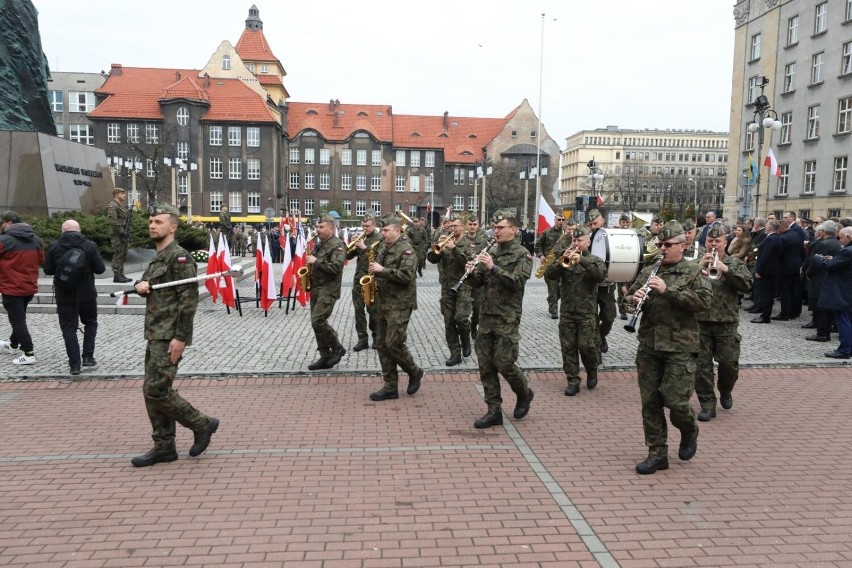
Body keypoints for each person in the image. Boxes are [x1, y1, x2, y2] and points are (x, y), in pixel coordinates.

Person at [131, 202, 218, 467]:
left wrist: (180, 338)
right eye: (150, 222)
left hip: (169, 334)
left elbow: (188, 301)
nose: (152, 225)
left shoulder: (179, 257)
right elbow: (148, 283)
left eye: (158, 222)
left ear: (173, 226)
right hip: (155, 332)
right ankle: (164, 446)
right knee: (152, 390)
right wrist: (140, 286)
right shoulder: (159, 257)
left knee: (156, 390)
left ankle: (202, 423)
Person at [627, 221, 712, 474]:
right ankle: (657, 453)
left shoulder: (695, 271)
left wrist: (668, 290)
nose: (662, 249)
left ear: (683, 246)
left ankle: (689, 429)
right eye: (660, 244)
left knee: (676, 401)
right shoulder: (648, 271)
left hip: (680, 347)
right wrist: (632, 299)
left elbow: (703, 303)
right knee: (650, 401)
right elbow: (627, 302)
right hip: (649, 345)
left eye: (668, 245)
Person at [465, 210, 534, 429]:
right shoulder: (492, 251)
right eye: (495, 228)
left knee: (504, 363)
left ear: (513, 229)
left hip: (507, 317)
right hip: (486, 316)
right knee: (486, 365)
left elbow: (517, 282)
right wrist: (472, 272)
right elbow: (479, 283)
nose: (497, 231)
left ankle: (524, 392)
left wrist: (492, 267)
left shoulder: (523, 254)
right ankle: (493, 410)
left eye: (501, 228)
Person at [695, 225, 753, 421]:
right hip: (700, 322)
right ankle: (707, 405)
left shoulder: (734, 263)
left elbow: (747, 286)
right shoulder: (697, 262)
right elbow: (680, 284)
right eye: (710, 241)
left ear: (725, 243)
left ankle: (725, 390)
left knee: (729, 364)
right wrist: (697, 268)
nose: (713, 244)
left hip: (726, 323)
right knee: (701, 368)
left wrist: (726, 270)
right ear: (705, 243)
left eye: (717, 241)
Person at [368, 214, 425, 400]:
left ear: (398, 231)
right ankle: (390, 386)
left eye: (385, 230)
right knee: (382, 345)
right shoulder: (384, 247)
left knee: (394, 343)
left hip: (400, 303)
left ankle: (414, 371)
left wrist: (382, 270)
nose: (382, 234)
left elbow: (407, 276)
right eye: (382, 230)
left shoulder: (407, 250)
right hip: (383, 301)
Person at [546, 226, 607, 396]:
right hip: (567, 312)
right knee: (568, 348)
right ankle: (573, 380)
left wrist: (582, 260)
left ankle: (592, 370)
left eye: (580, 240)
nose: (576, 243)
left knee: (586, 347)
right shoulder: (566, 259)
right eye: (574, 240)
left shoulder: (594, 260)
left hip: (587, 313)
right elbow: (549, 274)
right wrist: (563, 260)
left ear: (588, 241)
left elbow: (601, 276)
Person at [42, 220, 106, 375]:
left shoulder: (54, 245)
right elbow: (100, 269)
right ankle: (88, 357)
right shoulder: (90, 245)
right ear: (79, 230)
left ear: (62, 230)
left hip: (64, 294)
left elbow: (48, 270)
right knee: (90, 323)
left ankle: (74, 365)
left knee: (68, 328)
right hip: (87, 294)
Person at [427, 213, 474, 366]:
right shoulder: (444, 240)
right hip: (447, 287)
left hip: (463, 286)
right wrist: (437, 250)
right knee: (448, 322)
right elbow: (432, 259)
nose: (452, 229)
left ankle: (466, 340)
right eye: (451, 226)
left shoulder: (469, 244)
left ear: (463, 227)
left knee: (460, 318)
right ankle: (455, 353)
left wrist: (454, 249)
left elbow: (469, 262)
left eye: (455, 226)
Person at [0, 211, 44, 365]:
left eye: (2, 223)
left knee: (17, 321)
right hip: (29, 288)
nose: (2, 226)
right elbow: (41, 260)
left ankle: (28, 352)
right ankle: (13, 344)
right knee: (19, 317)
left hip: (11, 289)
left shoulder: (3, 241)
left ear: (9, 223)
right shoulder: (36, 240)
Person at [306, 214, 347, 370]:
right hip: (316, 288)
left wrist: (316, 261)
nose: (318, 230)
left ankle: (337, 347)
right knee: (316, 324)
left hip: (329, 289)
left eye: (321, 227)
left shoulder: (337, 245)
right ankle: (324, 356)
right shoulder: (319, 244)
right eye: (317, 227)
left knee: (318, 320)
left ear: (331, 228)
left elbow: (336, 267)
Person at [811, 227, 852, 359]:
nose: (839, 240)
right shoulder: (846, 252)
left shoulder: (847, 251)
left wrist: (818, 258)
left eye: (841, 237)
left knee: (843, 320)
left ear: (849, 237)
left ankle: (845, 350)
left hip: (843, 291)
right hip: (847, 290)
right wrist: (833, 259)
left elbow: (829, 266)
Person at [347, 215, 381, 351]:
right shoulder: (362, 238)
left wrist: (364, 247)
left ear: (374, 225)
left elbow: (379, 256)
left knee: (373, 310)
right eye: (363, 226)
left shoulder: (379, 239)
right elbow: (348, 256)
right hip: (358, 279)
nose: (364, 228)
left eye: (367, 226)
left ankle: (377, 336)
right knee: (358, 310)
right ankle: (362, 339)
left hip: (373, 279)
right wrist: (352, 245)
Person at [804, 221, 841, 342]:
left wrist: (808, 273)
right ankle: (824, 331)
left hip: (820, 278)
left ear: (824, 231)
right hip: (828, 278)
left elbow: (815, 262)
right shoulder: (836, 242)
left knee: (821, 308)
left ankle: (822, 333)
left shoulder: (823, 244)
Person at [587, 209, 615, 354]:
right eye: (591, 224)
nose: (593, 227)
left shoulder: (611, 235)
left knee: (609, 317)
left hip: (607, 285)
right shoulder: (584, 236)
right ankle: (596, 354)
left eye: (595, 223)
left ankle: (601, 335)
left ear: (603, 220)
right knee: (592, 320)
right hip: (589, 286)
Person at [751, 219, 783, 324]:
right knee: (767, 294)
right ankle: (765, 315)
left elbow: (765, 257)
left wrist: (758, 270)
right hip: (773, 270)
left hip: (767, 271)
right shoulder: (777, 238)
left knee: (765, 295)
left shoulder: (770, 239)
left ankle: (765, 316)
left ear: (769, 228)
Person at [534, 214, 564, 319]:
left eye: (563, 219)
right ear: (554, 220)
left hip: (563, 264)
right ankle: (554, 310)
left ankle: (552, 300)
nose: (561, 221)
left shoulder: (567, 234)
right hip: (549, 266)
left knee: (562, 288)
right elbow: (537, 245)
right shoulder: (547, 232)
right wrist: (541, 255)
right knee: (552, 288)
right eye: (559, 219)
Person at [465, 216, 488, 338]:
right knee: (463, 310)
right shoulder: (462, 239)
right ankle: (465, 328)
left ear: (477, 225)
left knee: (477, 308)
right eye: (470, 224)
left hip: (478, 278)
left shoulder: (483, 241)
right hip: (464, 279)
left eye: (474, 224)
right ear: (466, 225)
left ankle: (474, 326)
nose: (472, 226)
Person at [107, 187, 133, 283]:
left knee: (123, 254)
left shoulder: (120, 206)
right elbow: (113, 222)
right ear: (116, 195)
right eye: (122, 194)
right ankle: (116, 276)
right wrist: (122, 232)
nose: (125, 195)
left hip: (123, 234)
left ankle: (121, 274)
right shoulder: (113, 206)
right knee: (118, 255)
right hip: (117, 235)